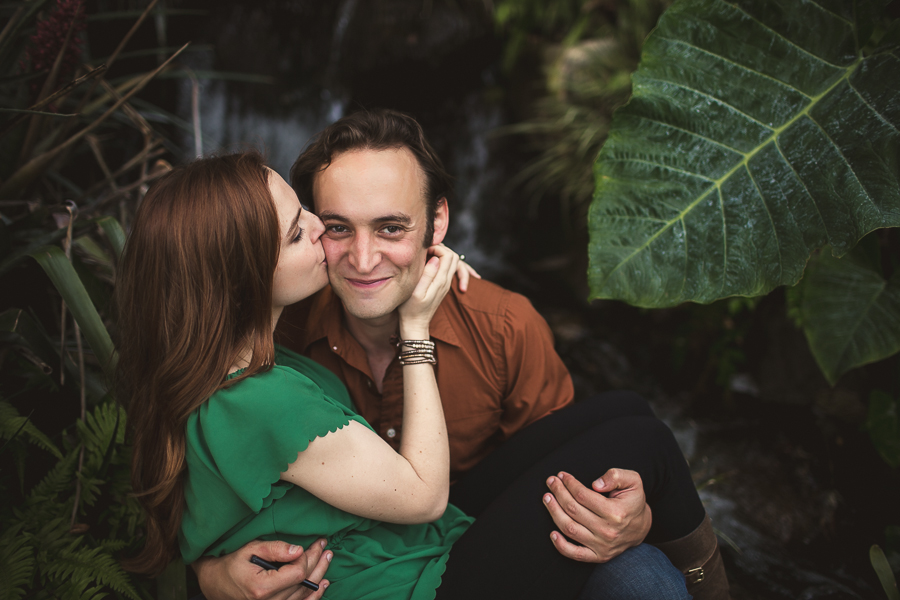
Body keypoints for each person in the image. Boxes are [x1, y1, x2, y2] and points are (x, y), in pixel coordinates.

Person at [193, 110, 731, 600]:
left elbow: (568, 478)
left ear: (437, 223)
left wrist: (635, 516)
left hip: (463, 528)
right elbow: (214, 479)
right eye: (336, 227)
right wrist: (210, 575)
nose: (361, 259)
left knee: (634, 485)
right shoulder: (281, 321)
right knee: (647, 462)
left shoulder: (503, 326)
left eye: (390, 227)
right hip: (392, 567)